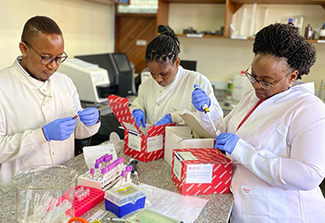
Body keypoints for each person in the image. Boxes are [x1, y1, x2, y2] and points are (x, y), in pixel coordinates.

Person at [192, 23, 325, 222]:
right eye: (253, 75)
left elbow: (309, 175)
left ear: (292, 76)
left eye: (266, 81)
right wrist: (206, 111)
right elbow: (224, 132)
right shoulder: (252, 97)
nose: (256, 84)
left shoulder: (308, 109)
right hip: (243, 208)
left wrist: (243, 151)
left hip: (284, 215)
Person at [0, 16, 101, 192]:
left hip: (64, 181)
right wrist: (42, 135)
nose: (53, 66)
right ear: (24, 48)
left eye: (59, 58)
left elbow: (77, 131)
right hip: (21, 190)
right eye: (46, 58)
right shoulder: (3, 87)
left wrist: (89, 122)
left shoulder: (65, 82)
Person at [130, 25, 223, 127]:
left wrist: (175, 118)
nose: (158, 79)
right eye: (153, 73)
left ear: (176, 62)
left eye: (163, 73)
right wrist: (137, 109)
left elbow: (217, 121)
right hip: (153, 141)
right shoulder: (147, 84)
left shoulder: (197, 81)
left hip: (184, 142)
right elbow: (138, 103)